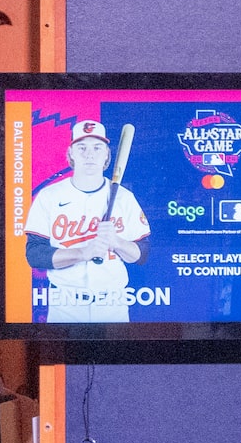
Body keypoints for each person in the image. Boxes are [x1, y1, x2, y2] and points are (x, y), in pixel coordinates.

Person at [23, 120, 151, 323]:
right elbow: (35, 255)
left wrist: (116, 242)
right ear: (71, 153)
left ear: (107, 155)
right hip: (64, 303)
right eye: (81, 147)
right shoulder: (49, 196)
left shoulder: (124, 198)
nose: (89, 154)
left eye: (97, 147)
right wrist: (83, 253)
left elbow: (142, 254)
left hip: (113, 304)